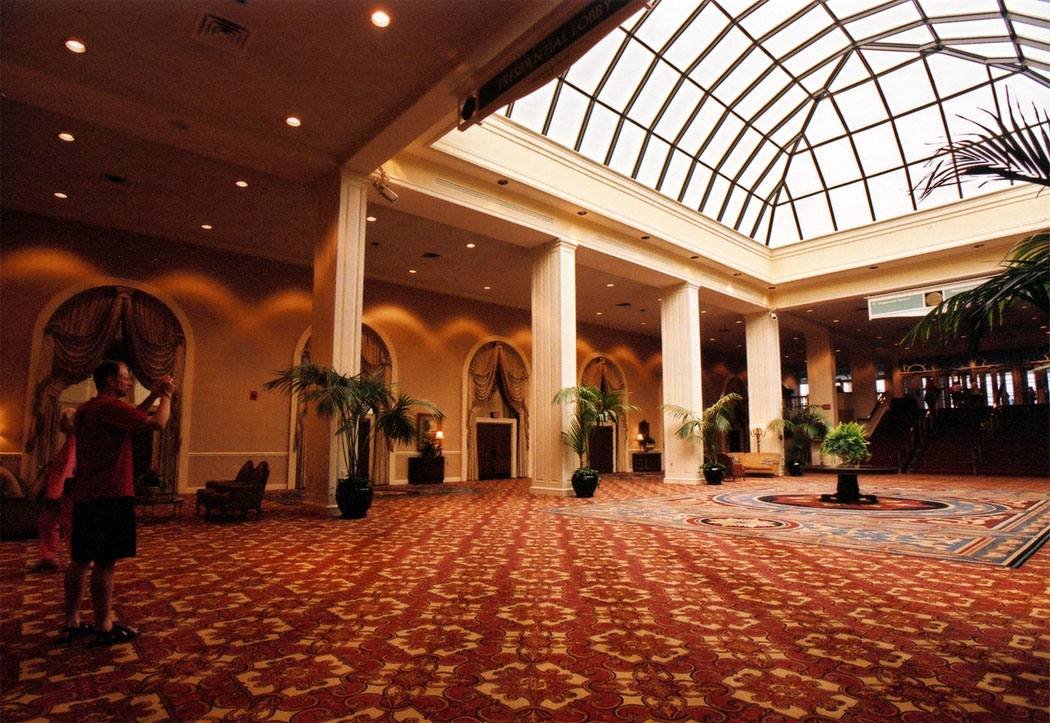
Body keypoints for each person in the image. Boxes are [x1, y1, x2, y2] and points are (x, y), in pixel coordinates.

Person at [58, 361, 175, 646]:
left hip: (86, 493)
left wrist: (153, 395)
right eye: (125, 379)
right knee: (105, 563)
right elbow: (158, 424)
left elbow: (131, 417)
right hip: (110, 492)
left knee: (80, 560)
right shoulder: (108, 407)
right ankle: (103, 625)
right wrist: (167, 396)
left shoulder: (89, 407)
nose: (129, 383)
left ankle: (71, 621)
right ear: (110, 381)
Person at [30, 410, 77, 573]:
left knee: (69, 525)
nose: (60, 424)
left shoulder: (74, 442)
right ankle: (48, 557)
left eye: (63, 420)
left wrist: (55, 493)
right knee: (48, 522)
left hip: (65, 491)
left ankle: (80, 560)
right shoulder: (71, 441)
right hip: (61, 490)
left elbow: (66, 469)